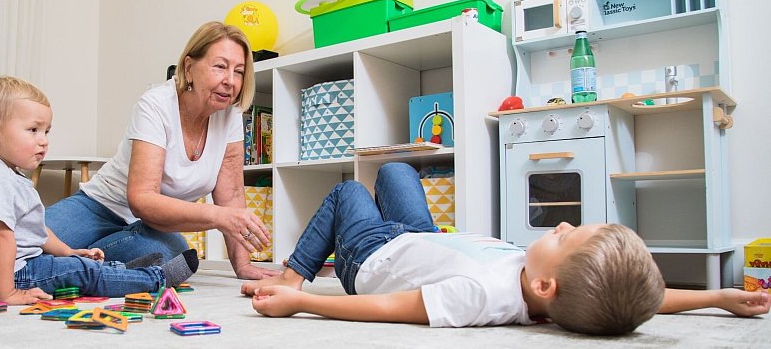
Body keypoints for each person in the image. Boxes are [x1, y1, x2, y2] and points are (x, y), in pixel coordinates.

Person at [242, 163, 771, 335]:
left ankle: (290, 274)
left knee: (348, 192)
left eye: (566, 235)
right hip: (418, 236)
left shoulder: (483, 296)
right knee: (398, 170)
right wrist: (716, 297)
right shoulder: (558, 284)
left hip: (374, 259)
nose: (561, 224)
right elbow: (639, 296)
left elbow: (386, 308)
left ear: (545, 287)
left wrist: (302, 302)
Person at [46, 21, 280, 280]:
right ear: (189, 68)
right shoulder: (156, 104)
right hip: (99, 208)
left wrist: (242, 265)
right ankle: (77, 263)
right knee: (18, 244)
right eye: (220, 67)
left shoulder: (230, 117)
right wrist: (217, 216)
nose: (230, 81)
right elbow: (142, 199)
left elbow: (232, 195)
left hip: (149, 228)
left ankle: (74, 261)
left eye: (239, 72)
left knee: (174, 257)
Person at [0, 76, 199, 305]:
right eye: (33, 130)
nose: (43, 140)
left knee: (77, 263)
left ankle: (120, 272)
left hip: (17, 269)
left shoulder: (8, 175)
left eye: (46, 131)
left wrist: (68, 251)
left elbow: (37, 230)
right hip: (2, 281)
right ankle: (154, 278)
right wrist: (9, 294)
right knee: (83, 271)